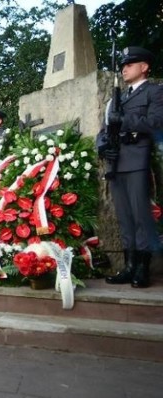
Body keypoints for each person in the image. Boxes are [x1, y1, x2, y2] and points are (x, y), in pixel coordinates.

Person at [97, 46, 163, 289]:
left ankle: (143, 268)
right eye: (123, 65)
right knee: (124, 217)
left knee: (140, 215)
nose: (124, 68)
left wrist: (124, 120)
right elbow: (104, 130)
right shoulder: (120, 97)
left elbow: (157, 122)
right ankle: (128, 265)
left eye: (130, 64)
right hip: (117, 161)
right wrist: (102, 146)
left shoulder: (155, 92)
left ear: (144, 67)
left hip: (138, 159)